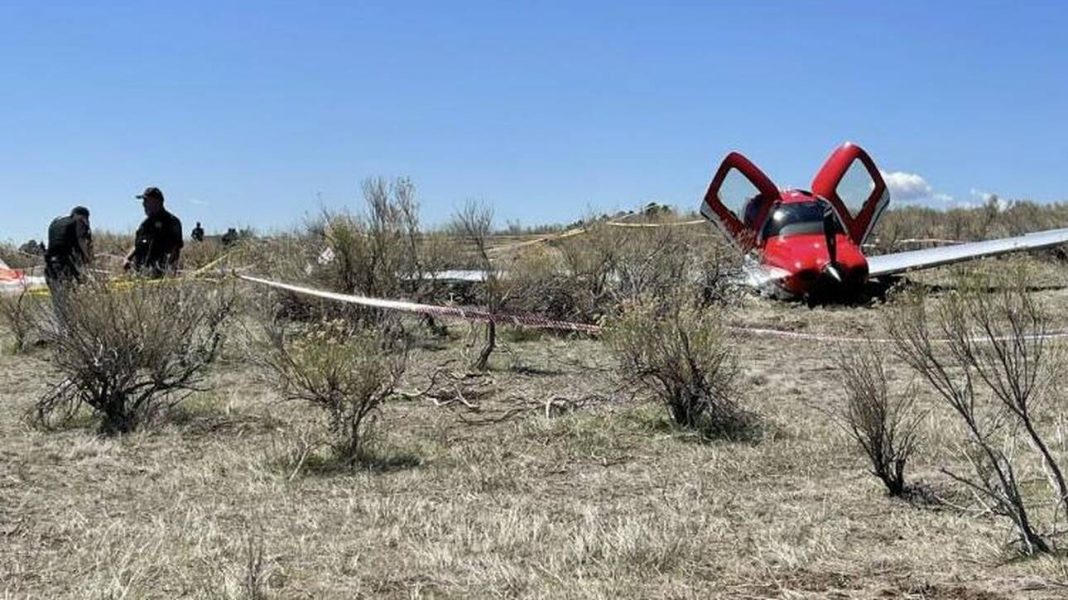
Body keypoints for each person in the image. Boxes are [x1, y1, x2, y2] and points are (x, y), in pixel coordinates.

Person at [44, 206, 93, 318]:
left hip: (50, 266)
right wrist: (88, 258)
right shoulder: (79, 221)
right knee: (70, 299)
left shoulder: (56, 222)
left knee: (58, 301)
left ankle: (61, 328)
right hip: (66, 265)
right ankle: (71, 329)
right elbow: (81, 240)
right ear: (83, 216)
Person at [125, 186, 183, 276]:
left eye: (146, 201)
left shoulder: (172, 222)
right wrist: (128, 258)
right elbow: (137, 245)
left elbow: (175, 250)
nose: (143, 205)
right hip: (140, 275)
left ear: (157, 202)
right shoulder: (145, 224)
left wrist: (168, 272)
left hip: (160, 276)